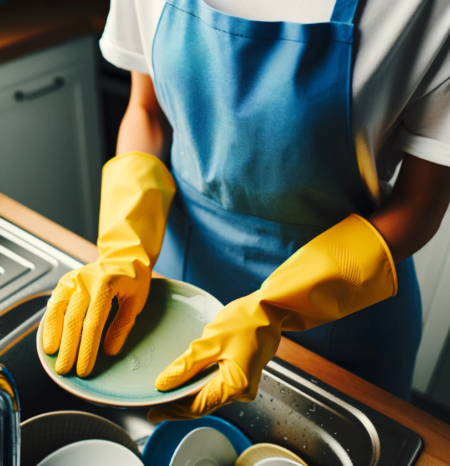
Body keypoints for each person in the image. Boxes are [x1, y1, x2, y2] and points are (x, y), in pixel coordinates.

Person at [43, 0, 450, 421]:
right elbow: (146, 111)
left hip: (342, 307)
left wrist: (273, 307)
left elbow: (420, 203)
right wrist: (122, 247)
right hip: (181, 285)